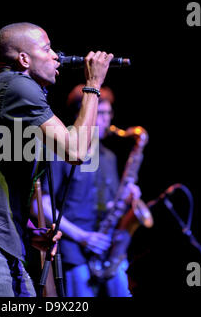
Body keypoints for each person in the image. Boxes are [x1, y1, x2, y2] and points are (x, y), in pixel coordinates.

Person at [0, 22, 113, 297]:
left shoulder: (16, 93)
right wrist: (92, 85)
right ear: (23, 59)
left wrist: (29, 233)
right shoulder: (16, 86)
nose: (56, 55)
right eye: (47, 48)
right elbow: (77, 152)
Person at [32, 84, 140, 297]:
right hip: (74, 250)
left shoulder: (109, 157)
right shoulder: (61, 153)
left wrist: (128, 198)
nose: (106, 120)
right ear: (82, 114)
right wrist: (82, 237)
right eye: (99, 113)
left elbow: (110, 205)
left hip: (107, 249)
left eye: (108, 113)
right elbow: (39, 205)